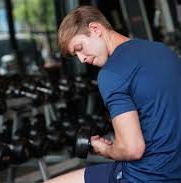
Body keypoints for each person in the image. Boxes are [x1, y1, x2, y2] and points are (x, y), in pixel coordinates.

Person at [45, 5, 181, 183]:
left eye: (80, 48)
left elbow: (132, 149)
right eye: (75, 54)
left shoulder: (111, 74)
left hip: (148, 176)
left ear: (95, 29)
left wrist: (106, 150)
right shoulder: (164, 51)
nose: (82, 59)